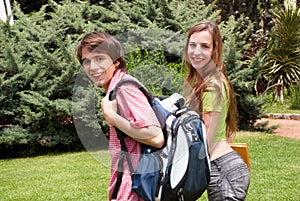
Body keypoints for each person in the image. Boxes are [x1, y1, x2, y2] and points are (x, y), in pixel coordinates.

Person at [75, 32, 164, 201]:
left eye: (99, 59)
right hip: (128, 179)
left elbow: (156, 136)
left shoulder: (125, 88)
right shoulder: (116, 87)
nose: (92, 67)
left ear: (116, 61)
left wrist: (112, 117)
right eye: (86, 61)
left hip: (134, 184)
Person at [182, 21, 250, 200]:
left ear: (215, 50)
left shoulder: (211, 86)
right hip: (224, 168)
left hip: (223, 170)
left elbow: (206, 136)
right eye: (193, 45)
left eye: (205, 46)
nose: (196, 52)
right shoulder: (211, 80)